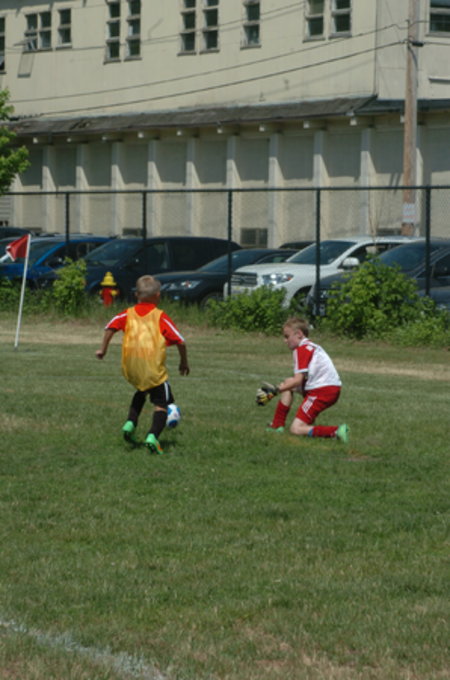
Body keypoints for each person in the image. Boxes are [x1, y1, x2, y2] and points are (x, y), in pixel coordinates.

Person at [95, 275, 189, 454]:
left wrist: (103, 349)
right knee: (162, 403)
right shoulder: (160, 316)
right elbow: (181, 341)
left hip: (131, 367)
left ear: (136, 295)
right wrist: (183, 362)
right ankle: (153, 436)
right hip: (152, 369)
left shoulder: (127, 313)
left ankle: (130, 423)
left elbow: (110, 327)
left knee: (142, 391)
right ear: (158, 296)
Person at [261, 317, 348, 442]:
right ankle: (277, 425)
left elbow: (297, 380)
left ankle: (336, 431)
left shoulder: (301, 350)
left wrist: (275, 390)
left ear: (299, 334)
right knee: (287, 383)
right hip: (329, 388)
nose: (285, 340)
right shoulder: (311, 346)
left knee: (296, 429)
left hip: (322, 391)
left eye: (287, 336)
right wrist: (283, 387)